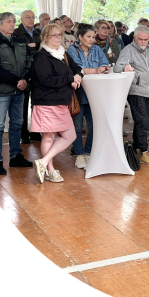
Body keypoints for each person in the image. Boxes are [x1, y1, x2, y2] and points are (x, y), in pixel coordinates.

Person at [0, 12, 34, 175]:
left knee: (17, 123)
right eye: (9, 22)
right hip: (0, 90)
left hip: (19, 90)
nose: (12, 24)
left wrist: (25, 79)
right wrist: (17, 81)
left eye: (14, 21)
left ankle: (15, 156)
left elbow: (30, 62)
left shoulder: (20, 39)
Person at [31, 24, 82, 183]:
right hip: (47, 102)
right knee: (49, 136)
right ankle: (50, 170)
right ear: (46, 37)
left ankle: (43, 162)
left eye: (60, 35)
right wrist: (70, 79)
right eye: (55, 35)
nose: (59, 37)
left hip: (61, 102)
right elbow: (47, 80)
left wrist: (78, 77)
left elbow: (77, 68)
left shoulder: (63, 54)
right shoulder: (41, 57)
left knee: (70, 135)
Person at [67, 24, 111, 168]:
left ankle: (88, 152)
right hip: (79, 92)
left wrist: (103, 69)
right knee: (78, 126)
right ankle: (78, 154)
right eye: (88, 37)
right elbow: (77, 69)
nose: (92, 40)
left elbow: (105, 64)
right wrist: (95, 70)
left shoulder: (97, 49)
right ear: (80, 37)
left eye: (93, 37)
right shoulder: (72, 50)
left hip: (95, 93)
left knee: (94, 126)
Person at [115, 26, 149, 165]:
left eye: (146, 39)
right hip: (135, 91)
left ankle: (137, 148)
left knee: (143, 121)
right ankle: (144, 151)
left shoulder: (148, 49)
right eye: (140, 39)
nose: (143, 42)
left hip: (148, 90)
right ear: (134, 37)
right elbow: (117, 67)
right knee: (142, 122)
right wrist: (124, 68)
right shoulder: (128, 50)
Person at [14, 10, 42, 144]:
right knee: (23, 104)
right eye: (28, 17)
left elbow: (43, 47)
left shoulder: (38, 33)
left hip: (38, 71)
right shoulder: (16, 32)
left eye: (33, 17)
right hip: (23, 71)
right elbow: (19, 50)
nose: (31, 20)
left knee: (36, 103)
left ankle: (36, 131)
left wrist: (35, 45)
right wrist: (32, 47)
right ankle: (23, 132)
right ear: (21, 19)